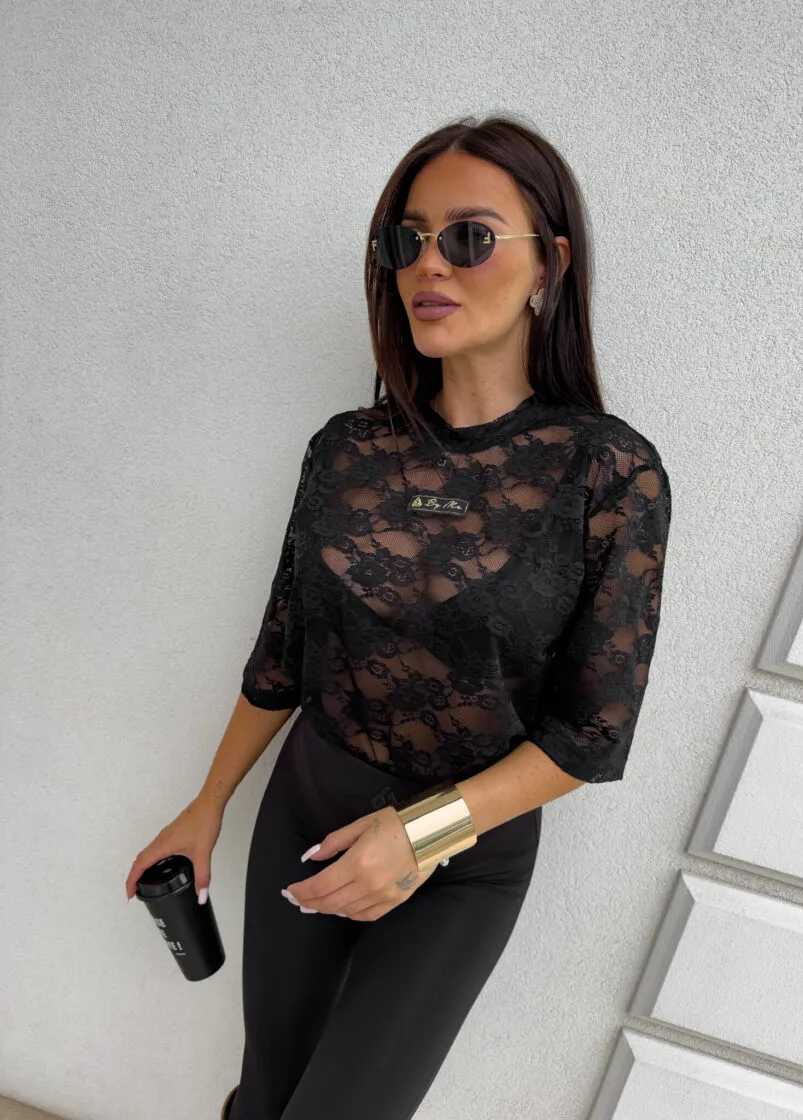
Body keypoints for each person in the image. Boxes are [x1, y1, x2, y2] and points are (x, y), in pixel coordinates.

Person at [125, 113, 672, 1120]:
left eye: (469, 236)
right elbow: (283, 654)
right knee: (267, 1097)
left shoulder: (607, 472)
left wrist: (423, 833)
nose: (430, 263)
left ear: (551, 263)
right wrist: (205, 807)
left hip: (463, 857)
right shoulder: (345, 449)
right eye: (406, 238)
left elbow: (592, 734)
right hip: (307, 812)